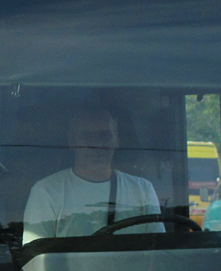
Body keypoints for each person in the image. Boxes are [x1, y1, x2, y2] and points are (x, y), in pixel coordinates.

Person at [22, 104, 164, 243]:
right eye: (86, 136)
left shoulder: (142, 190)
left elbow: (158, 252)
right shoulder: (46, 192)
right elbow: (35, 260)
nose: (96, 144)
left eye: (105, 136)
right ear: (71, 141)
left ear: (117, 140)